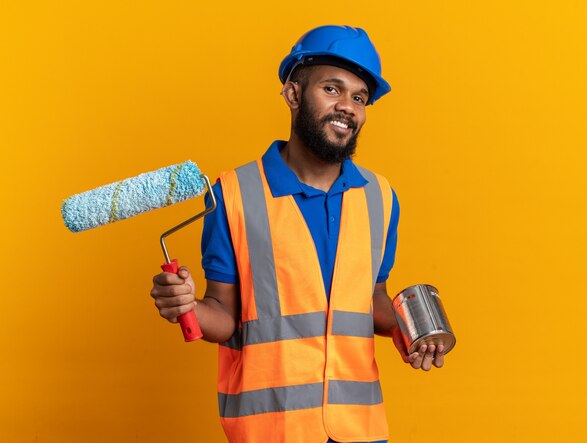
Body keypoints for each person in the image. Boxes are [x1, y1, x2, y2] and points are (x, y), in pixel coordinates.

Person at [150, 25, 445, 443]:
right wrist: (187, 307)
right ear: (293, 94)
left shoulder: (380, 196)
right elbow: (225, 315)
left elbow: (372, 296)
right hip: (273, 430)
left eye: (359, 98)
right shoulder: (233, 194)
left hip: (359, 429)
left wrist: (410, 326)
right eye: (332, 89)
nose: (348, 107)